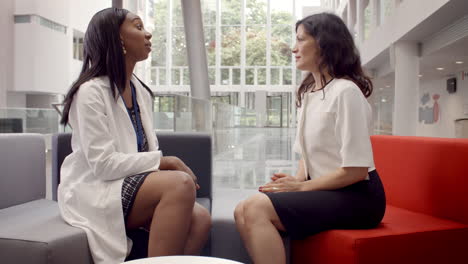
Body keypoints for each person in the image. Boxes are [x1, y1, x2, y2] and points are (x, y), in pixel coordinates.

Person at [58, 8, 211, 264]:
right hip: (96, 188)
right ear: (118, 39)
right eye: (138, 27)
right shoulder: (90, 92)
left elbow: (140, 152)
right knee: (179, 184)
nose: (148, 34)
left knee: (201, 219)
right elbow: (103, 165)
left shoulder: (140, 90)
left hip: (127, 184)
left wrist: (160, 169)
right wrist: (163, 162)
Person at [234, 13, 386, 264]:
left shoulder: (346, 92)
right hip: (328, 190)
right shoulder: (309, 93)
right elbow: (306, 153)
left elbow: (357, 170)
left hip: (358, 197)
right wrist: (297, 178)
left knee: (255, 208)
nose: (294, 48)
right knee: (242, 209)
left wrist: (301, 188)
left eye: (301, 40)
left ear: (325, 45)